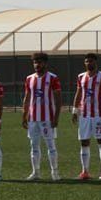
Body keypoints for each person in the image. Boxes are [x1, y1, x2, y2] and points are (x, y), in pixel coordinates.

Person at [71, 53, 101, 180]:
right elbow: (79, 93)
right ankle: (85, 171)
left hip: (99, 115)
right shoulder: (81, 77)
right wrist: (75, 111)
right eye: (87, 61)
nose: (89, 63)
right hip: (84, 114)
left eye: (91, 61)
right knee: (84, 142)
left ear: (95, 62)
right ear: (84, 63)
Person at [22, 51, 62, 181]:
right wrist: (24, 115)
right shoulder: (29, 78)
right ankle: (36, 172)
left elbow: (58, 99)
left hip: (47, 118)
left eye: (39, 62)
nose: (37, 65)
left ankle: (54, 172)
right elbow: (27, 98)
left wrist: (56, 117)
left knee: (51, 145)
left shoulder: (53, 78)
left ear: (45, 63)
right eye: (35, 62)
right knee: (34, 146)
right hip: (33, 118)